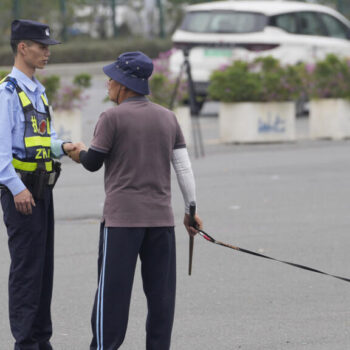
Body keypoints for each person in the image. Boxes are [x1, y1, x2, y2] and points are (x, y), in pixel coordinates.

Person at [68, 51, 203, 350]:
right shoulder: (168, 117)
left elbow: (93, 162)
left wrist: (75, 151)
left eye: (111, 79)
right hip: (161, 224)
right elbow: (183, 167)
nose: (107, 84)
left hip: (121, 225)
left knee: (112, 298)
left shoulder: (111, 117)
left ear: (124, 84)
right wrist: (190, 211)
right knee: (161, 299)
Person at [0, 19, 76, 350]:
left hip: (43, 190)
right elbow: (0, 153)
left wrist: (66, 147)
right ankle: (25, 343)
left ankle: (40, 340)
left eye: (48, 47)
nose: (47, 53)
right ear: (22, 48)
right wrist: (17, 188)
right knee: (27, 272)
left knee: (43, 270)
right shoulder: (7, 94)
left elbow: (46, 139)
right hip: (22, 193)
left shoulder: (38, 92)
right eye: (42, 46)